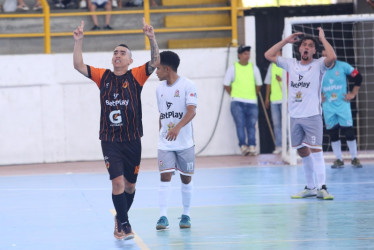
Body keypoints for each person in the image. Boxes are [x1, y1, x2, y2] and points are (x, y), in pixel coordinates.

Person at [73, 18, 159, 240]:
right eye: (115, 53)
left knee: (130, 186)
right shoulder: (104, 77)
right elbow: (78, 65)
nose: (117, 55)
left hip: (132, 139)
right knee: (117, 182)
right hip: (110, 140)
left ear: (130, 60)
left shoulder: (137, 76)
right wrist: (78, 42)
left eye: (122, 53)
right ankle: (124, 224)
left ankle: (120, 217)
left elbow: (156, 61)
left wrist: (152, 38)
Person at [264, 27, 336, 200]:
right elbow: (268, 55)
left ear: (314, 51)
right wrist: (285, 41)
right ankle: (310, 187)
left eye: (310, 46)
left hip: (312, 116)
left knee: (316, 150)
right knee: (302, 152)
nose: (306, 47)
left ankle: (323, 187)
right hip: (295, 116)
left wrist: (322, 38)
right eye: (304, 44)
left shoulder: (319, 65)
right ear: (299, 49)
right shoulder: (291, 64)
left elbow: (332, 57)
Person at [154, 51, 197, 230]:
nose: (155, 71)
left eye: (158, 68)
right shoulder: (159, 89)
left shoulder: (188, 85)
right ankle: (162, 216)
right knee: (164, 177)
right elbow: (162, 114)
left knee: (186, 179)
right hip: (165, 142)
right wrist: (162, 132)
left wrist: (178, 128)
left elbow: (192, 110)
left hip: (185, 142)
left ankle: (186, 214)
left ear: (167, 68)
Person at [321, 49, 363, 168]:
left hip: (342, 105)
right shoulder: (319, 69)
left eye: (327, 55)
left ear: (333, 56)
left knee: (349, 132)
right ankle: (339, 159)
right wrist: (318, 95)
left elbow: (358, 77)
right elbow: (310, 84)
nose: (325, 58)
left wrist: (353, 94)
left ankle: (354, 158)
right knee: (333, 133)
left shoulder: (343, 66)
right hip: (328, 106)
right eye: (323, 56)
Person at [223, 45, 262, 156]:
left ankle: (252, 146)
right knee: (240, 124)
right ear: (239, 55)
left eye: (248, 53)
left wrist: (252, 95)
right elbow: (226, 84)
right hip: (237, 102)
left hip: (252, 102)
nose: (247, 56)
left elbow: (259, 84)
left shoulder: (253, 68)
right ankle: (243, 146)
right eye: (245, 53)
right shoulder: (233, 68)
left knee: (251, 125)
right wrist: (234, 95)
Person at [264, 50, 284, 155]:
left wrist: (283, 79)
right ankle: (279, 146)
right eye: (275, 54)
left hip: (286, 100)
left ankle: (289, 146)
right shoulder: (272, 66)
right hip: (274, 100)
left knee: (287, 124)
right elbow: (268, 83)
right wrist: (267, 98)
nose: (276, 56)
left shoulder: (287, 65)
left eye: (278, 53)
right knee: (277, 124)